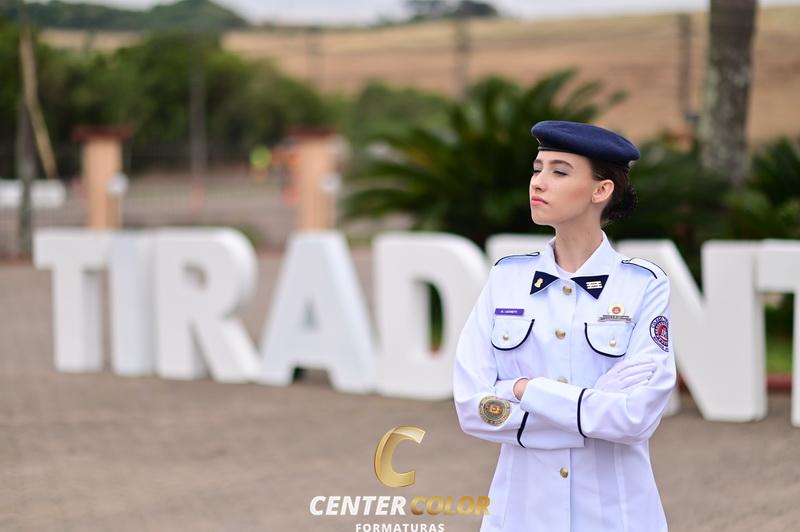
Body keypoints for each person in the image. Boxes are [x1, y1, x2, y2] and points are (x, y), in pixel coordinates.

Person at [452, 120, 676, 532]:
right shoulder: (506, 279)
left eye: (559, 171)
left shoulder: (643, 285)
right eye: (537, 169)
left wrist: (523, 389)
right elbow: (473, 408)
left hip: (614, 516)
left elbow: (636, 418)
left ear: (600, 190)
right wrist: (593, 407)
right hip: (521, 514)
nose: (538, 182)